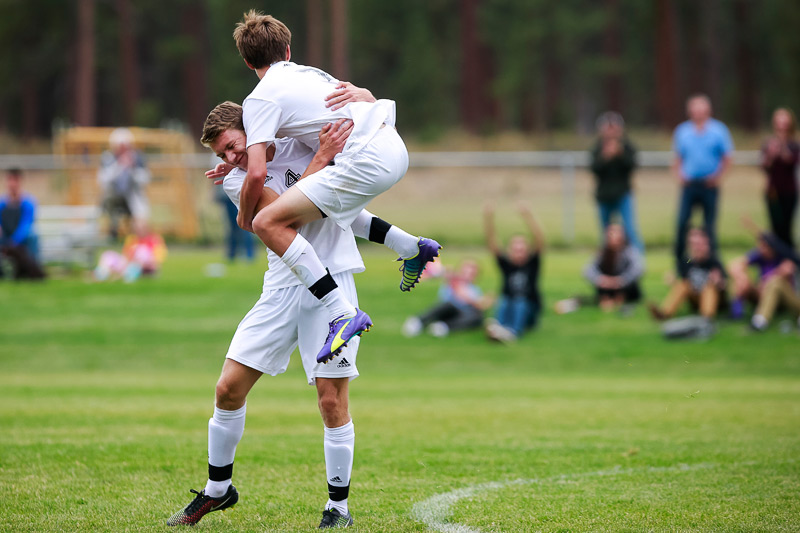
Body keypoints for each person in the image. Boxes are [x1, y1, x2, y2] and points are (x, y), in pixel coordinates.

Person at [166, 100, 427, 529]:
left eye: (233, 146)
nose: (230, 159)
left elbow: (348, 210)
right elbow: (288, 220)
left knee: (331, 399)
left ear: (253, 129)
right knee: (228, 389)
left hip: (333, 280)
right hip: (283, 288)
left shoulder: (305, 139)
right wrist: (323, 159)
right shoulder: (239, 181)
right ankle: (218, 490)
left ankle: (338, 509)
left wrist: (401, 240)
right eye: (221, 155)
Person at [232, 11, 440, 364]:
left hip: (365, 158)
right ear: (287, 51)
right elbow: (361, 104)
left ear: (248, 62)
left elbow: (255, 174)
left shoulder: (259, 98)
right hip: (392, 144)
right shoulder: (312, 74)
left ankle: (341, 311)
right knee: (324, 206)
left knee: (267, 221)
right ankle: (411, 247)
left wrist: (243, 217)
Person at [672, 94, 734, 270]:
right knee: (683, 223)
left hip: (709, 185)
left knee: (709, 227)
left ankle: (712, 265)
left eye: (701, 110)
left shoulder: (718, 130)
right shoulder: (682, 131)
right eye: (694, 110)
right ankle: (681, 264)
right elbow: (677, 158)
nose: (698, 113)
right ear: (689, 112)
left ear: (708, 111)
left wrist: (718, 177)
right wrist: (679, 176)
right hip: (690, 185)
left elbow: (727, 158)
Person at [482, 202, 544, 342]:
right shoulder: (506, 265)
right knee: (504, 300)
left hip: (529, 311)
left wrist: (528, 217)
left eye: (522, 250)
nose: (519, 253)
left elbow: (540, 240)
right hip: (509, 307)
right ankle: (500, 328)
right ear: (510, 251)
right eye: (516, 250)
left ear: (527, 251)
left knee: (519, 301)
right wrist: (489, 218)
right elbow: (492, 243)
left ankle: (513, 333)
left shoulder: (532, 263)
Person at [589, 112, 642, 251]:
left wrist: (620, 154)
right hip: (604, 196)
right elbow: (594, 169)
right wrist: (605, 157)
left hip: (623, 194)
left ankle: (637, 262)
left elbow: (632, 165)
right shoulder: (598, 148)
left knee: (630, 231)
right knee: (606, 234)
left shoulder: (627, 146)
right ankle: (607, 264)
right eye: (608, 128)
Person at [648, 227, 726, 321]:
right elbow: (681, 276)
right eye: (693, 245)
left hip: (712, 299)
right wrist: (672, 280)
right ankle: (665, 313)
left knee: (709, 287)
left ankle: (706, 317)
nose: (696, 248)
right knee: (683, 284)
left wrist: (718, 281)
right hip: (695, 296)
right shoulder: (689, 260)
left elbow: (724, 285)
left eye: (698, 244)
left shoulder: (713, 261)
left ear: (706, 244)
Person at [401, 260, 492, 338]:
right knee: (448, 305)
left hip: (463, 315)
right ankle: (418, 322)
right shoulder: (453, 282)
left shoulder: (475, 290)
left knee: (478, 317)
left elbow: (478, 306)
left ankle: (443, 328)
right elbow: (455, 295)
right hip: (449, 310)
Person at [728, 231, 798, 330]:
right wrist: (742, 277)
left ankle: (760, 321)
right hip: (761, 294)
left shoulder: (783, 255)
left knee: (775, 282)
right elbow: (733, 265)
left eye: (764, 246)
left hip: (782, 299)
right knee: (742, 280)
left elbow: (788, 269)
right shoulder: (759, 255)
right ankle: (736, 313)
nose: (761, 249)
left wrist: (766, 279)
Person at [97, 128, 151, 239]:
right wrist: (120, 166)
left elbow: (146, 178)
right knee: (107, 201)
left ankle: (140, 234)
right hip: (113, 194)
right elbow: (102, 180)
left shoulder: (137, 157)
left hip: (132, 193)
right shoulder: (108, 158)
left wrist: (132, 169)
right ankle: (112, 232)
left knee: (140, 204)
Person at [583, 223, 644, 312]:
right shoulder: (602, 252)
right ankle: (607, 299)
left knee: (633, 284)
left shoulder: (629, 251)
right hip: (607, 285)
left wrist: (621, 280)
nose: (614, 236)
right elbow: (587, 270)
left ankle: (619, 298)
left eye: (617, 232)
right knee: (601, 275)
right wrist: (601, 279)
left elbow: (639, 269)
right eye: (611, 233)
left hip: (624, 285)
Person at [761, 108, 799, 248]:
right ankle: (777, 261)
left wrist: (782, 147)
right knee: (775, 227)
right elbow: (765, 167)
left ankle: (791, 261)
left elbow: (792, 162)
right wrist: (770, 154)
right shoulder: (768, 142)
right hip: (772, 192)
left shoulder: (794, 144)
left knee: (787, 228)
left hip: (789, 191)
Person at [0, 168, 45, 280]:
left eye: (15, 180)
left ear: (20, 181)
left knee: (32, 236)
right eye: (10, 180)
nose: (12, 183)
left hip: (20, 237)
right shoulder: (2, 203)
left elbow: (26, 225)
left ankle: (34, 269)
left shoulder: (28, 202)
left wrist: (14, 240)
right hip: (4, 235)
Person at [93, 221, 167, 282]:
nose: (139, 231)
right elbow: (126, 255)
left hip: (144, 266)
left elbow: (156, 260)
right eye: (138, 228)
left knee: (142, 252)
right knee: (108, 255)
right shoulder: (132, 239)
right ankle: (100, 274)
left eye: (141, 228)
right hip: (128, 263)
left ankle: (122, 275)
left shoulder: (154, 240)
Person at [215, 181, 255, 262]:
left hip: (238, 193)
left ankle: (248, 254)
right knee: (233, 227)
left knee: (244, 224)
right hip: (227, 196)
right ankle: (232, 254)